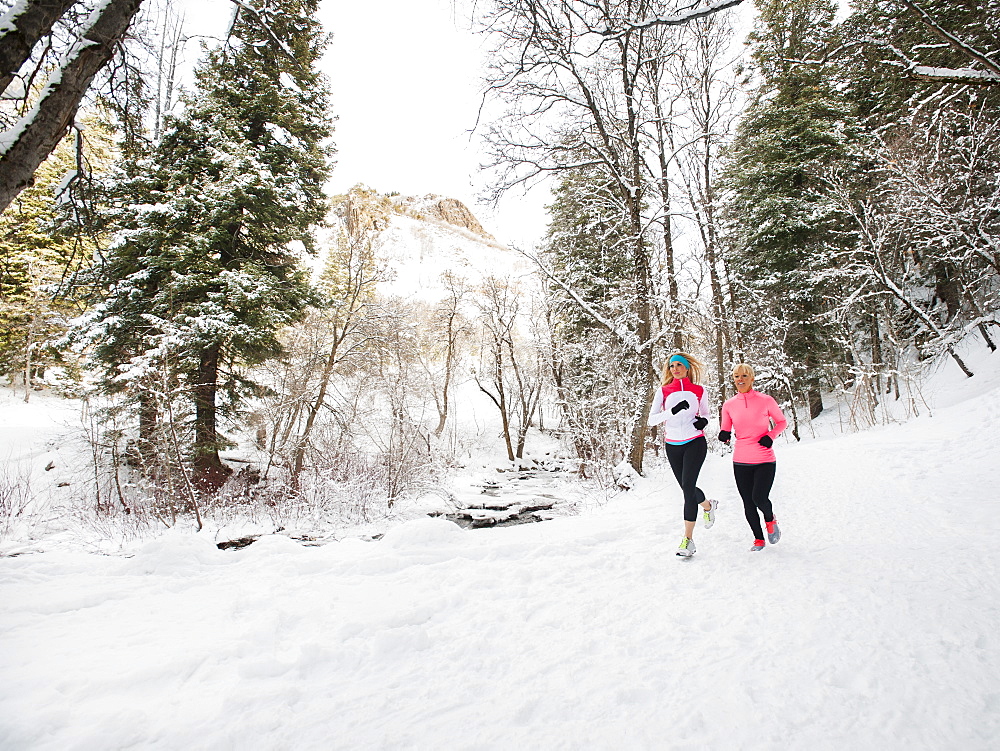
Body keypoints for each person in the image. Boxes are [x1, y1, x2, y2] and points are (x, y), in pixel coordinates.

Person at [647, 353, 717, 558]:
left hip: (695, 442)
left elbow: (706, 413)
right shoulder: (663, 391)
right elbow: (652, 420)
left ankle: (688, 540)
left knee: (687, 489)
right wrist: (673, 411)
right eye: (671, 366)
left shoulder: (699, 390)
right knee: (687, 488)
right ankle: (708, 505)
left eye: (679, 365)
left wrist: (703, 422)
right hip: (673, 445)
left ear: (687, 368)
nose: (675, 369)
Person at [718, 363, 788, 552]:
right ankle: (758, 539)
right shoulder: (729, 405)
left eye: (744, 376)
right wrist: (724, 435)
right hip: (741, 460)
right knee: (748, 502)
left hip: (764, 459)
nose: (740, 380)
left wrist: (770, 436)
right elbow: (726, 428)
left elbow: (782, 422)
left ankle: (770, 519)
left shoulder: (765, 400)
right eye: (736, 377)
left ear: (752, 378)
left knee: (759, 497)